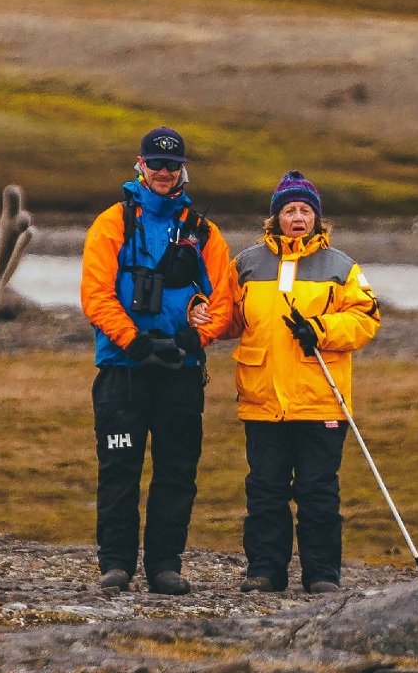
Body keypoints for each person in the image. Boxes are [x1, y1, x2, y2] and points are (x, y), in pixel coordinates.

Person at [78, 126, 239, 596]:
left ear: (182, 169)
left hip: (180, 373)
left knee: (177, 470)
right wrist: (134, 342)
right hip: (123, 371)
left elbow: (225, 301)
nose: (164, 172)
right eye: (156, 164)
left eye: (172, 165)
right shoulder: (112, 223)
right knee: (119, 466)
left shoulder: (204, 232)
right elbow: (95, 294)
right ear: (140, 165)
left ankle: (165, 566)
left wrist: (193, 341)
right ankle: (116, 565)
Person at [223, 171, 381, 595]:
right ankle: (264, 572)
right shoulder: (247, 263)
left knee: (318, 494)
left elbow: (365, 319)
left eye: (305, 210)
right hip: (262, 399)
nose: (298, 217)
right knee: (266, 492)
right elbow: (228, 319)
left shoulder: (341, 266)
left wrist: (320, 329)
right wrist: (196, 314)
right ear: (275, 217)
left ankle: (322, 575)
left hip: (321, 399)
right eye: (290, 210)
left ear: (317, 218)